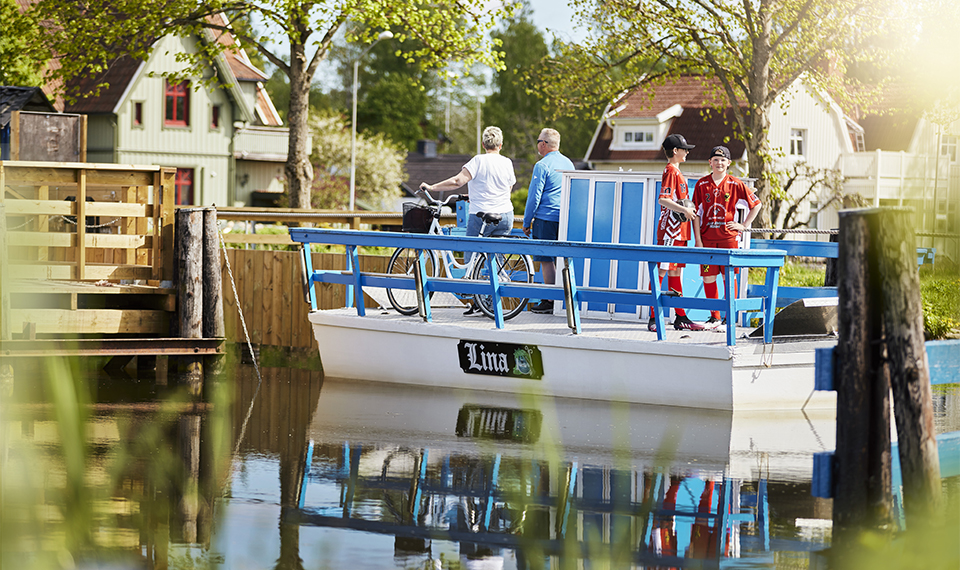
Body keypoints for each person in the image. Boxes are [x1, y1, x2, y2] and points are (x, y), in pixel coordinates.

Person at [421, 125, 516, 314]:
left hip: (481, 215)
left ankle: (478, 298)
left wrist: (431, 187)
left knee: (471, 258)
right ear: (501, 145)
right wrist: (475, 195)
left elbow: (458, 181)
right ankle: (487, 304)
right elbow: (507, 188)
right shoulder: (507, 162)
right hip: (505, 214)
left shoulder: (478, 161)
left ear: (483, 144)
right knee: (495, 260)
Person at [691, 145, 762, 330]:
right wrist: (698, 240)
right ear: (710, 162)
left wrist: (743, 225)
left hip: (728, 239)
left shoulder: (735, 183)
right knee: (708, 277)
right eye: (715, 160)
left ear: (729, 163)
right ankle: (714, 317)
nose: (719, 163)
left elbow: (756, 204)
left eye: (723, 160)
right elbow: (695, 213)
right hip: (707, 238)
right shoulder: (701, 184)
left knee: (729, 277)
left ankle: (728, 318)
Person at [648, 133, 703, 332]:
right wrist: (685, 210)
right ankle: (653, 318)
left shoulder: (677, 171)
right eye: (684, 149)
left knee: (675, 271)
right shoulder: (671, 170)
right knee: (662, 271)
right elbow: (663, 199)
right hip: (670, 231)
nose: (687, 152)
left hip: (679, 231)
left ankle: (680, 316)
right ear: (675, 151)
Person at [522, 128, 575, 314]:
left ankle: (550, 300)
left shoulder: (542, 165)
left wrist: (527, 221)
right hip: (565, 218)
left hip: (545, 218)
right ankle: (563, 300)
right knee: (561, 259)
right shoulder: (569, 164)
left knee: (546, 259)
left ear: (543, 144)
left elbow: (534, 196)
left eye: (538, 141)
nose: (538, 144)